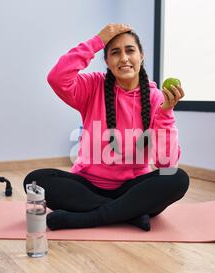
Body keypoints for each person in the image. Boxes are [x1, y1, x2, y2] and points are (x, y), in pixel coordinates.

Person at [23, 24, 190, 231]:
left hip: (133, 189)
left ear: (142, 56)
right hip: (86, 186)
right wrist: (97, 41)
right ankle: (129, 214)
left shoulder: (156, 97)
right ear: (107, 61)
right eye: (115, 52)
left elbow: (166, 164)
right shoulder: (93, 86)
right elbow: (57, 77)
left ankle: (87, 218)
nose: (124, 58)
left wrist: (165, 112)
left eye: (130, 50)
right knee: (35, 181)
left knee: (177, 178)